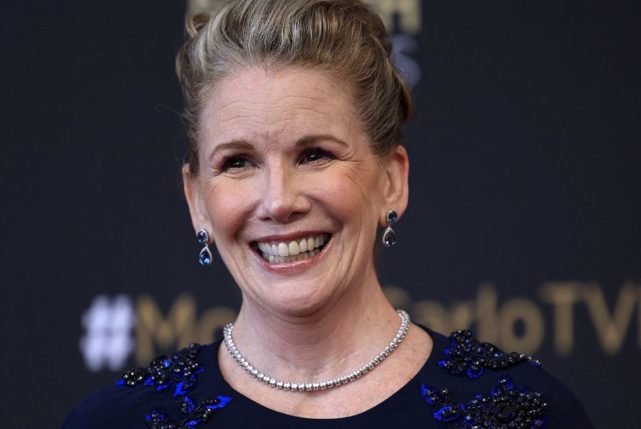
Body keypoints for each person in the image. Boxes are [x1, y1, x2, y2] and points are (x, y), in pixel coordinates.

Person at [64, 0, 593, 427]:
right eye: (238, 161)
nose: (278, 201)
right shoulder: (115, 421)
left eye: (314, 154)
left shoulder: (528, 412)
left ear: (392, 180)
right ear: (197, 199)